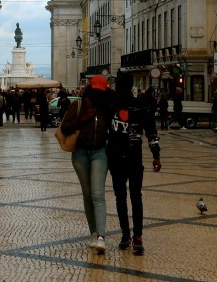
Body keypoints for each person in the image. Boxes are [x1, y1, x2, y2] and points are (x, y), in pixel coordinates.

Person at [107, 74, 161, 255]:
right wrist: (156, 155)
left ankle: (131, 236)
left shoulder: (121, 105)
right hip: (123, 158)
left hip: (124, 158)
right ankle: (131, 236)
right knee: (131, 197)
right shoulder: (114, 105)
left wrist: (156, 155)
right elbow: (152, 133)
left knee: (126, 197)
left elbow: (151, 131)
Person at [60, 75, 112, 254]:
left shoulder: (108, 107)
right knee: (88, 194)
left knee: (97, 194)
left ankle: (101, 237)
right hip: (80, 153)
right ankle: (93, 233)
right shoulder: (79, 105)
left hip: (100, 153)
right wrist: (83, 118)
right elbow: (64, 128)